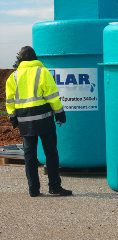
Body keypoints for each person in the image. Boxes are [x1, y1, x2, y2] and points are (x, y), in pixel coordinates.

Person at [5, 46, 72, 197]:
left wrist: (13, 118)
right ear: (35, 58)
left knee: (29, 155)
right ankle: (54, 186)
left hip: (25, 122)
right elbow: (52, 96)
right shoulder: (43, 72)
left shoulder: (13, 77)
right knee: (51, 153)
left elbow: (10, 101)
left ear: (20, 60)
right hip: (44, 120)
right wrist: (60, 115)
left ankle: (33, 190)